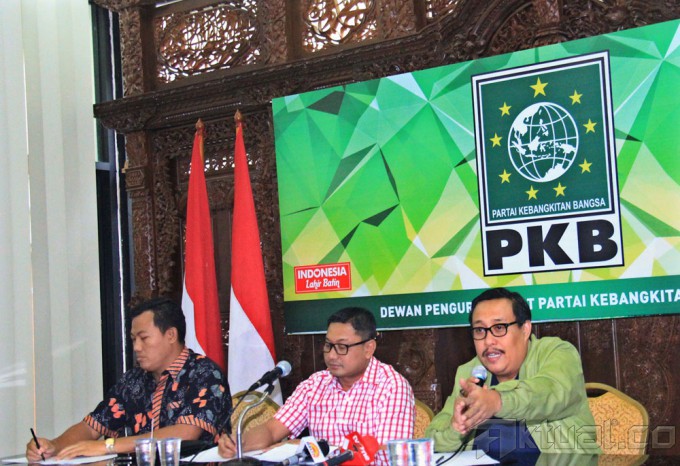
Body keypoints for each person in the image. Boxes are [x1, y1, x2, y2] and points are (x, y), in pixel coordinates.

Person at [26, 297, 231, 460]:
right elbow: (91, 427)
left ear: (170, 335)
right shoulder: (134, 380)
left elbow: (186, 433)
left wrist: (108, 446)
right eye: (133, 339)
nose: (137, 347)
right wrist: (54, 446)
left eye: (144, 338)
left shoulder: (204, 373)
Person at [218, 307, 414, 465]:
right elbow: (273, 430)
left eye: (342, 347)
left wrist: (314, 448)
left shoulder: (391, 387)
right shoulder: (315, 385)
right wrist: (240, 443)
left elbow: (388, 457)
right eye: (328, 345)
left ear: (368, 348)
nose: (332, 355)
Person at [425, 288, 600, 458]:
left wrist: (496, 400)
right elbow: (433, 439)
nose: (488, 341)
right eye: (479, 330)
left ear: (525, 329)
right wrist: (457, 427)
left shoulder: (558, 353)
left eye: (499, 327)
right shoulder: (469, 372)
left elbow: (550, 393)